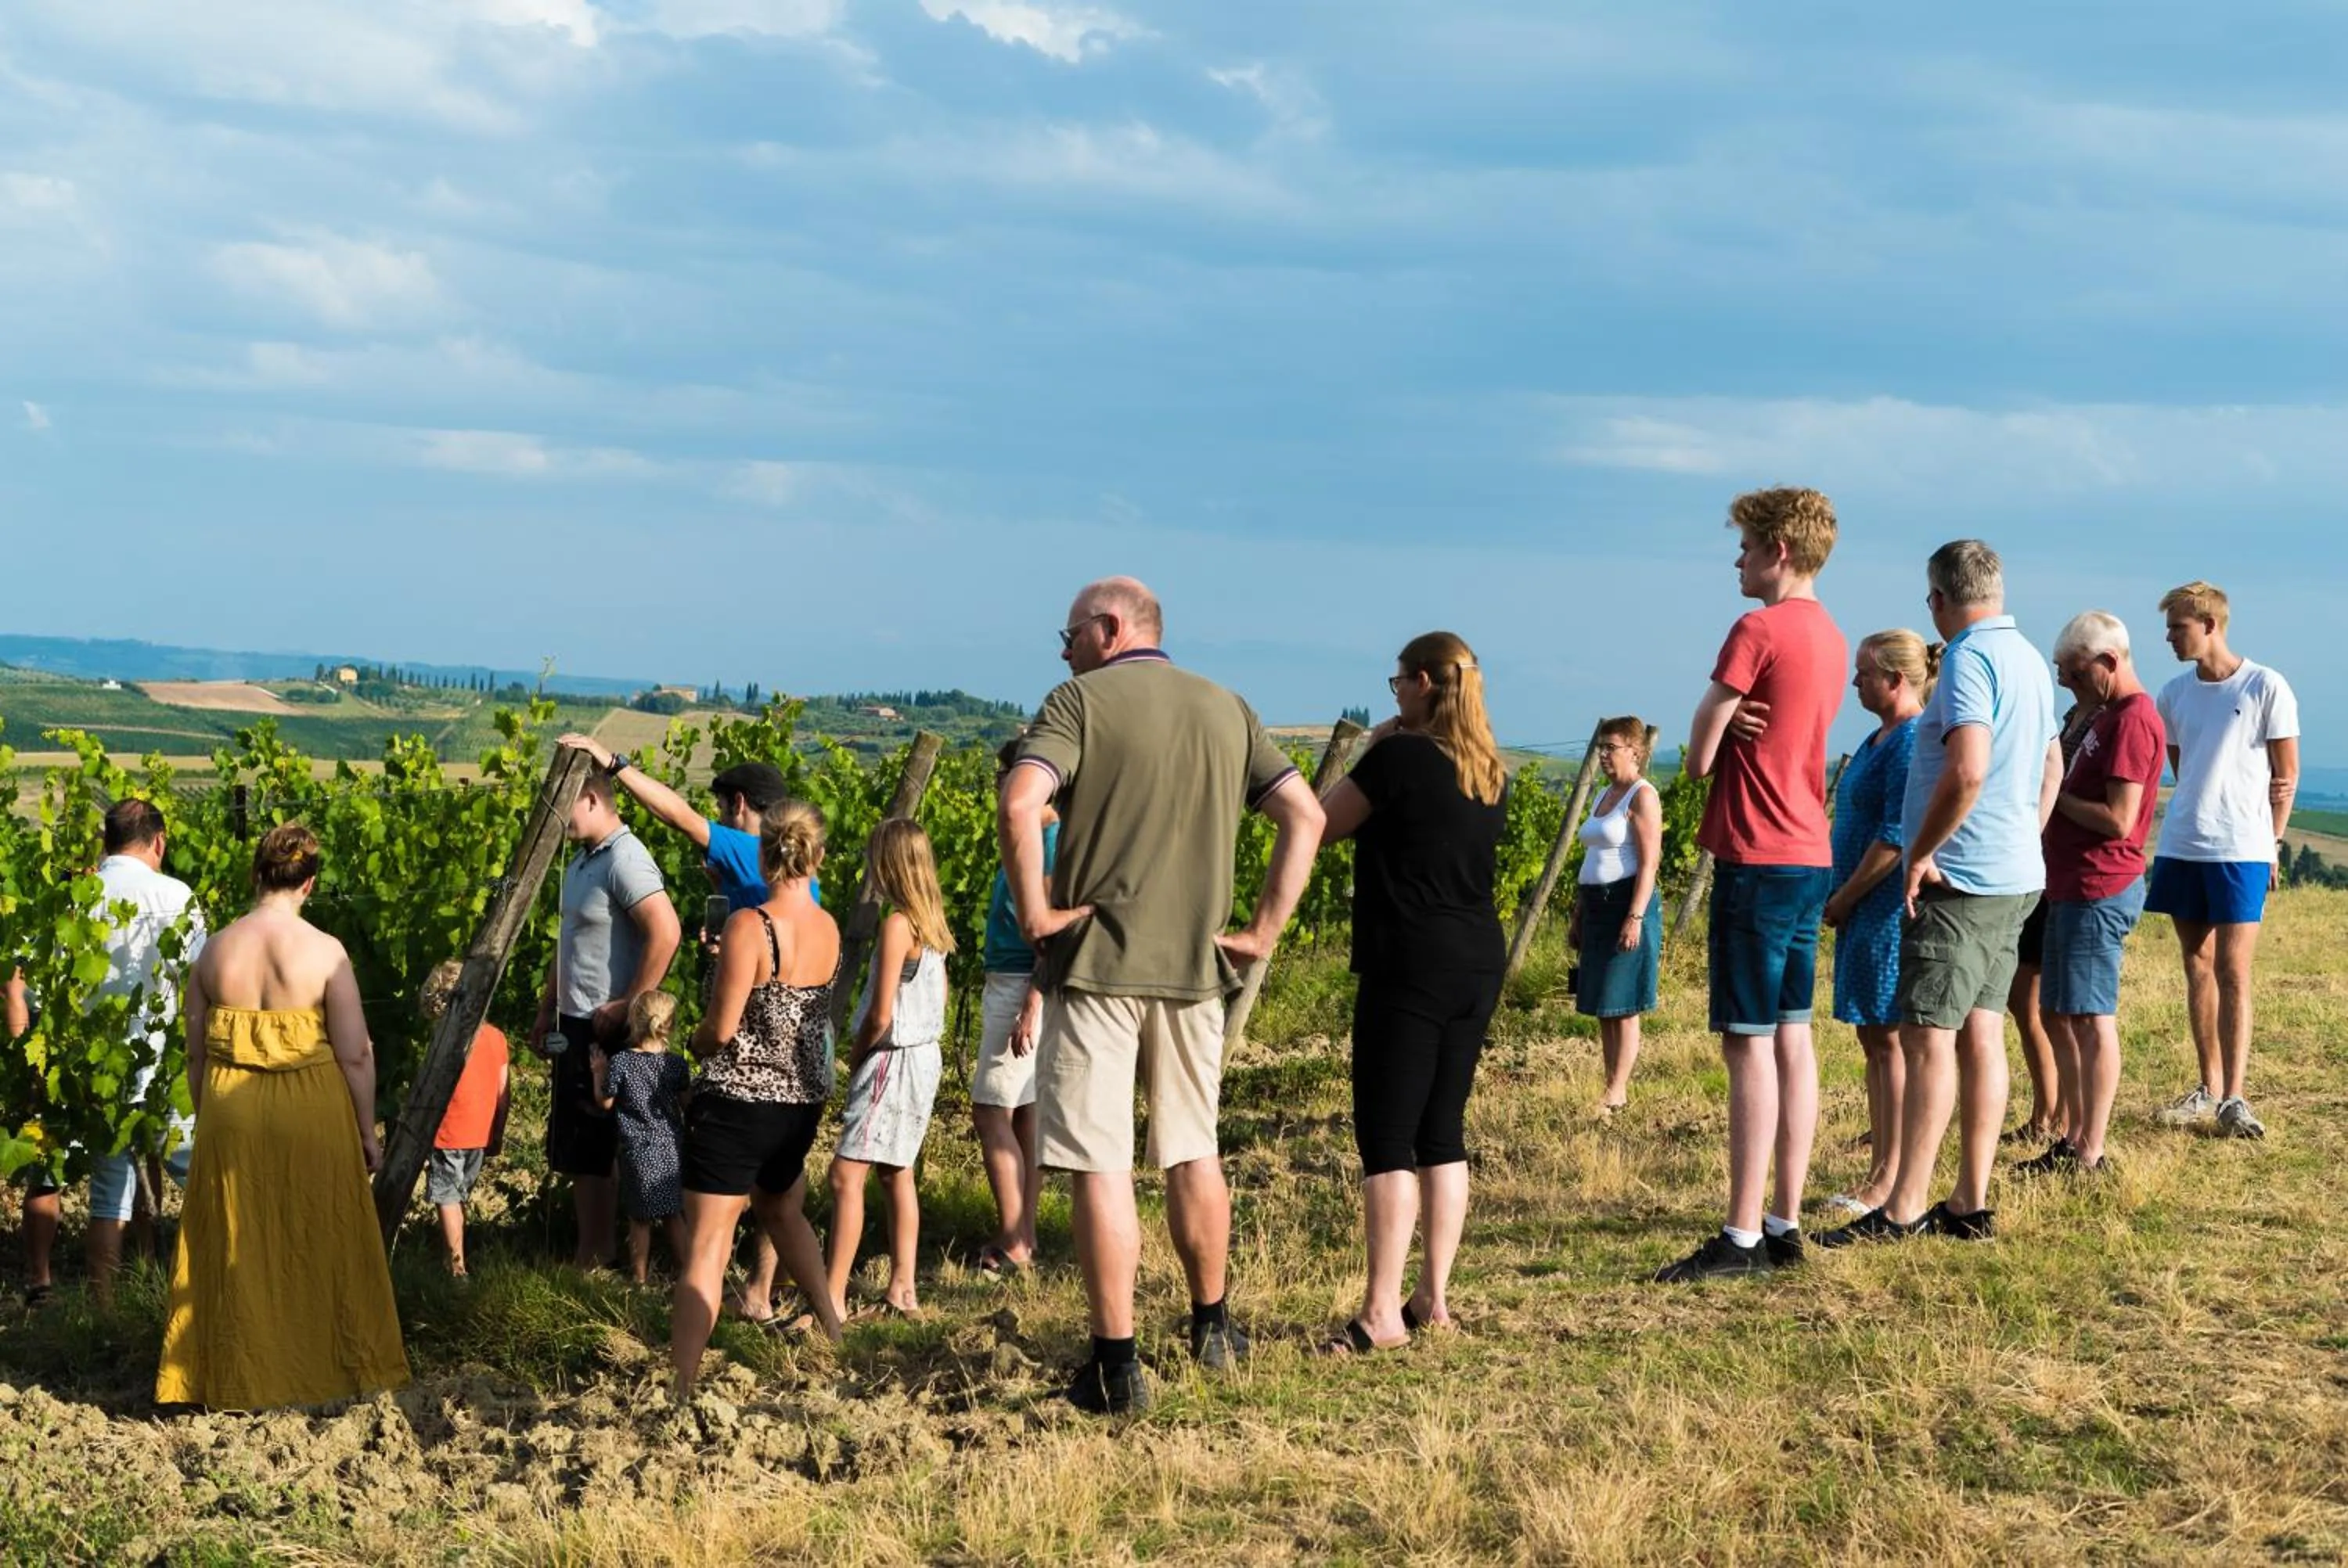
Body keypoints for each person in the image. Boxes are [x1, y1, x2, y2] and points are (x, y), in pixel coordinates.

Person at [1001, 575, 1324, 1414]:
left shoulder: (1077, 705)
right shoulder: (1228, 707)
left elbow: (1019, 800)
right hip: (1194, 970)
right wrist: (1262, 932)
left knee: (1099, 1161)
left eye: (1070, 633)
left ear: (1110, 628)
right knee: (1193, 1148)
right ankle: (1213, 1325)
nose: (1065, 649)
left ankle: (1116, 1365)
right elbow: (1306, 817)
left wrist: (1037, 914)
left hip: (1097, 963)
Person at [1820, 541, 2060, 1248]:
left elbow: (1968, 768)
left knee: (1928, 1037)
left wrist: (1923, 852)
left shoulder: (1967, 660)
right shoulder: (2028, 658)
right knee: (1984, 1032)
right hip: (2014, 874)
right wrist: (2025, 836)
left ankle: (1901, 1208)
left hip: (1960, 879)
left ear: (1939, 599)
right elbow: (2051, 763)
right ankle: (1969, 1199)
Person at [1655, 487, 1847, 1282]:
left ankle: (1737, 1237)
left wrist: (1725, 721)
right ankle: (1783, 1221)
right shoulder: (1832, 635)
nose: (1736, 559)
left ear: (1780, 550)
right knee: (1794, 1037)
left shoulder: (1757, 628)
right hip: (1808, 850)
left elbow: (1696, 755)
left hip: (1755, 851)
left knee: (1748, 1046)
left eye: (1745, 545)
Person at [553, 739, 815, 1314]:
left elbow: (675, 815)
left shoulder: (746, 845)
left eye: (722, 808)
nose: (716, 822)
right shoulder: (799, 885)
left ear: (740, 804)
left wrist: (614, 762)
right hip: (798, 1034)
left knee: (726, 1161)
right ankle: (760, 1292)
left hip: (747, 1033)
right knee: (779, 1171)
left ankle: (702, 1292)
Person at [155, 824, 409, 1410]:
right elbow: (354, 1053)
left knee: (234, 1238)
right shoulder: (325, 952)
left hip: (230, 1108)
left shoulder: (214, 950)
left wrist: (211, 1114)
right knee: (319, 1237)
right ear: (309, 884)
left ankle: (233, 1376)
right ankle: (327, 1372)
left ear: (255, 874)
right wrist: (365, 1129)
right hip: (311, 1109)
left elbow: (195, 1054)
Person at [1314, 631, 1507, 1354]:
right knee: (1442, 1133)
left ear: (1423, 682)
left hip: (1409, 961)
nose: (1391, 693)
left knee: (1388, 1138)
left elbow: (1319, 824)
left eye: (1397, 683)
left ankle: (1379, 1313)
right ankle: (1434, 1297)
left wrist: (1378, 741)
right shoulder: (1489, 770)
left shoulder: (1396, 759)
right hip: (1477, 960)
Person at [672, 800, 846, 1401]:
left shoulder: (749, 926)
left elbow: (721, 1031)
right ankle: (833, 1328)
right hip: (800, 1105)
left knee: (709, 1245)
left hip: (739, 1103)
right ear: (817, 857)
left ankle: (682, 1384)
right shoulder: (829, 927)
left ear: (762, 854)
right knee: (781, 1210)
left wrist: (691, 1043)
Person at [2145, 581, 2300, 1140]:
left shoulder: (2266, 686)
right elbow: (2183, 766)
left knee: (2234, 970)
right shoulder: (2173, 694)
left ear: (2209, 625)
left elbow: (2285, 777)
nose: (2168, 638)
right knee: (2198, 966)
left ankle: (2235, 1097)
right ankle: (2207, 1087)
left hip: (2243, 848)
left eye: (2177, 628)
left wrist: (2272, 843)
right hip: (2185, 843)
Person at [2017, 612, 2164, 1177]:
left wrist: (2049, 798)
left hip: (2100, 885)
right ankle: (2074, 1135)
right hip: (2071, 883)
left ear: (2109, 661)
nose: (2065, 684)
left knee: (2090, 1017)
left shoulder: (2132, 721)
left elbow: (2121, 819)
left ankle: (2090, 1148)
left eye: (2074, 672)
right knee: (2060, 1011)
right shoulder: (2100, 715)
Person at [530, 767, 681, 1270]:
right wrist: (545, 1009)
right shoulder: (583, 861)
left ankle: (598, 1258)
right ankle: (595, 1252)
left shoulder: (625, 858)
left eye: (564, 805)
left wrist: (628, 1005)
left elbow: (666, 932)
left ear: (592, 799)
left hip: (606, 1026)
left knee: (602, 1142)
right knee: (579, 1145)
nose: (559, 818)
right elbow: (568, 943)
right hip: (573, 1021)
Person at [1817, 631, 1932, 1220]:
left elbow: (1895, 835)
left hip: (1883, 906)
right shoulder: (1879, 735)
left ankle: (1888, 1177)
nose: (1854, 682)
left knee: (1888, 1037)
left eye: (1863, 673)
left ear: (1895, 679)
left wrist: (1846, 896)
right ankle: (1880, 1163)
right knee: (1874, 1037)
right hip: (1860, 904)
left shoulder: (1909, 740)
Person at [826, 819, 954, 1318]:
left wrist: (856, 1057)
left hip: (892, 1059)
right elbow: (937, 996)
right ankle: (903, 1286)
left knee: (844, 1175)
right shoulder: (933, 922)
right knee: (897, 1171)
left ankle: (832, 1295)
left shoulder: (898, 924)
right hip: (925, 1056)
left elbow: (881, 1014)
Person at [88, 799, 208, 1303]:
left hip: (98, 1072)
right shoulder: (173, 895)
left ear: (107, 841)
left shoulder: (79, 896)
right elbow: (204, 979)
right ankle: (212, 1291)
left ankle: (102, 1311)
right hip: (166, 1069)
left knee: (108, 1198)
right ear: (158, 841)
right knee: (208, 1179)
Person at [971, 739, 1057, 1277]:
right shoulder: (1035, 835)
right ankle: (1024, 1232)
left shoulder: (1048, 841)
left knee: (990, 1110)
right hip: (1018, 981)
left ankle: (1014, 1239)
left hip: (1021, 983)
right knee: (1023, 1113)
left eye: (1006, 776)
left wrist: (1031, 1000)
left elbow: (1048, 931)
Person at [2003, 699, 2100, 1148]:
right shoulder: (2069, 718)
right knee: (2026, 1005)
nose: (2064, 675)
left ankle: (2056, 1115)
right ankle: (2046, 1109)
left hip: (2051, 874)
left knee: (2041, 1006)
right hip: (2037, 868)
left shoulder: (2096, 721)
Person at [1567, 717, 1662, 1115]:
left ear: (1635, 751)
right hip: (1596, 905)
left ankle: (1617, 1091)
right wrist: (1578, 913)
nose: (1604, 755)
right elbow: (1593, 855)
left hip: (1625, 902)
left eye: (1612, 748)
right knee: (1605, 1003)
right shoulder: (1604, 795)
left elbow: (1649, 862)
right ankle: (1611, 1086)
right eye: (1601, 747)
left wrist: (1635, 916)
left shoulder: (1642, 796)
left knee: (1623, 1004)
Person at [420, 959, 510, 1278]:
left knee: (446, 1197)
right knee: (459, 1196)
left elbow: (430, 1084)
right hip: (480, 1132)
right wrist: (497, 1131)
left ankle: (456, 1267)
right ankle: (455, 1255)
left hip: (448, 1131)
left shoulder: (445, 1038)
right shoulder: (496, 1037)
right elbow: (503, 1091)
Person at [594, 991, 691, 1284]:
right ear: (669, 1025)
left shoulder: (622, 1062)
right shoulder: (676, 1065)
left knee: (640, 1218)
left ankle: (639, 1279)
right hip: (672, 1147)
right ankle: (688, 1273)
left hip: (637, 1149)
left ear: (633, 1022)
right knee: (674, 1214)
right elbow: (688, 1105)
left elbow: (605, 1103)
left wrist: (598, 1072)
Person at [4, 966, 57, 1305]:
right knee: (46, 1167)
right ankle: (40, 1280)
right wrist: (26, 1058)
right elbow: (13, 988)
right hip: (35, 1033)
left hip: (69, 1024)